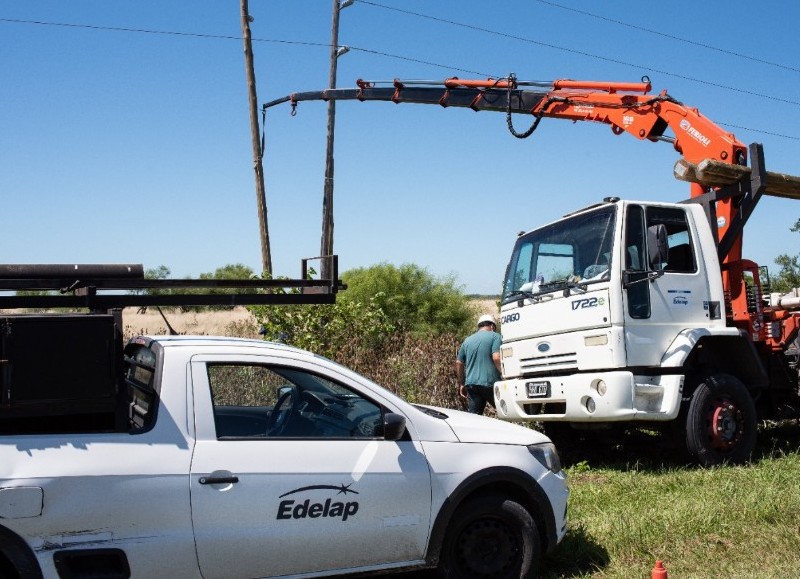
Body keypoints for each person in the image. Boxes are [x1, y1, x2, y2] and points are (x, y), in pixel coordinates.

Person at [455, 314, 502, 415]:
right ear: (492, 326)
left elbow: (459, 363)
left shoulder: (467, 340)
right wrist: (504, 374)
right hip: (490, 383)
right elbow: (496, 357)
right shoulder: (495, 336)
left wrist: (462, 382)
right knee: (503, 413)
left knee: (474, 417)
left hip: (471, 384)